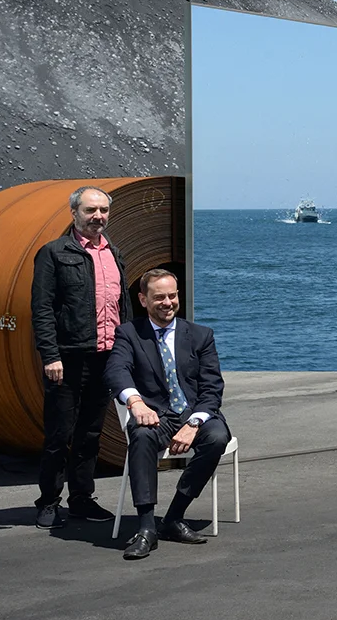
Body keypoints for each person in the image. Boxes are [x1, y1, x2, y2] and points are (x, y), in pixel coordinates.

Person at [104, 269, 232, 560]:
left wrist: (194, 423)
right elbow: (116, 371)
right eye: (159, 297)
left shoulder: (200, 335)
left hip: (193, 412)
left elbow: (212, 388)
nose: (167, 303)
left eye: (172, 296)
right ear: (143, 300)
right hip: (155, 414)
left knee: (216, 437)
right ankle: (146, 528)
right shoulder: (129, 334)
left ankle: (174, 516)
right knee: (140, 435)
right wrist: (135, 402)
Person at [29, 186, 127, 529]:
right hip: (68, 359)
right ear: (74, 213)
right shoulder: (54, 253)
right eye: (90, 210)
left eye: (103, 210)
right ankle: (48, 502)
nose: (98, 216)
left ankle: (82, 499)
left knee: (91, 433)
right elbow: (42, 309)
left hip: (106, 357)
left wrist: (127, 352)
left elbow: (122, 308)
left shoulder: (114, 252)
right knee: (59, 434)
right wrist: (50, 355)